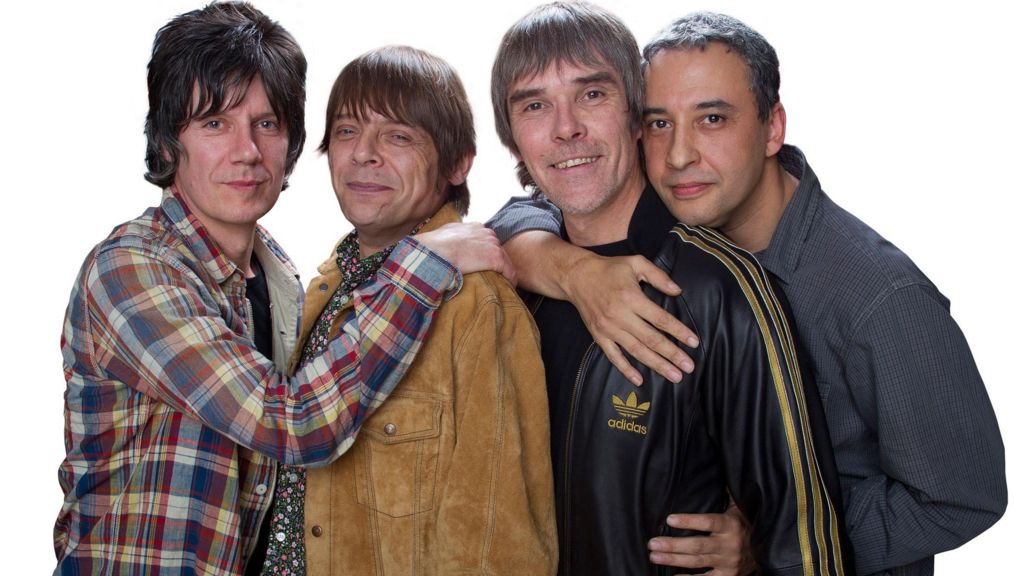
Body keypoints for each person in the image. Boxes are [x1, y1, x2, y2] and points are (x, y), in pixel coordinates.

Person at [494, 10, 1007, 576]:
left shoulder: (879, 296)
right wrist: (569, 269)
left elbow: (961, 498)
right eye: (660, 122)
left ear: (772, 128)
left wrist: (767, 537)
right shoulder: (671, 232)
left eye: (712, 118)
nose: (680, 154)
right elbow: (545, 199)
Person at [55, 4, 509, 574]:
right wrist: (427, 261)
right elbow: (295, 423)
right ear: (170, 142)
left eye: (266, 124)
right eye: (215, 123)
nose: (247, 151)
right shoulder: (131, 270)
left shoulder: (282, 278)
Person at [487, 3, 849, 575]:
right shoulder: (501, 283)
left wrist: (753, 553)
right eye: (535, 105)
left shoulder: (718, 291)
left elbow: (804, 542)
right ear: (512, 139)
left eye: (592, 94)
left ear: (636, 114)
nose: (565, 128)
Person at [256, 46, 556, 576]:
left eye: (398, 136)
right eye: (347, 130)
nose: (363, 154)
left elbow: (496, 543)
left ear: (458, 163)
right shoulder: (323, 285)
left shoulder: (476, 305)